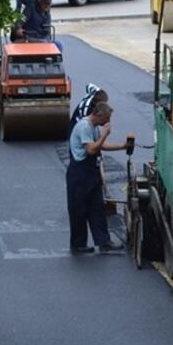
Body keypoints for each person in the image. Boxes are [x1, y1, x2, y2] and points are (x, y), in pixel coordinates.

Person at [66, 102, 127, 254]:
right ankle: (78, 244)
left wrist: (122, 146)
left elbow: (101, 145)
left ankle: (104, 241)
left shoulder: (93, 127)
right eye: (107, 117)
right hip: (79, 173)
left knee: (97, 207)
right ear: (99, 115)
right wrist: (105, 134)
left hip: (90, 172)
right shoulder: (84, 126)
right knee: (79, 209)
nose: (108, 121)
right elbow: (92, 149)